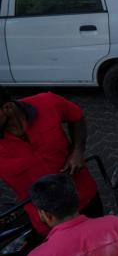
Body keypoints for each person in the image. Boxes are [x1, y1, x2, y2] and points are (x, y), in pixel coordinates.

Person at [0, 88, 102, 236]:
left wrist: (78, 150)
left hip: (85, 198)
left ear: (7, 108)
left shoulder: (47, 102)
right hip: (48, 220)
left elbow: (76, 116)